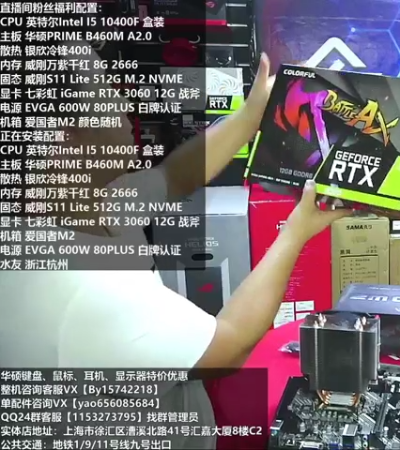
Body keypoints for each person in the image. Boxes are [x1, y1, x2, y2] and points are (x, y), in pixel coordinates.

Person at [0, 46, 349, 447]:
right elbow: (229, 346)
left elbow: (175, 177)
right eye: (108, 94)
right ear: (63, 139)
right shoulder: (78, 287)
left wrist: (252, 115)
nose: (125, 104)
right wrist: (296, 231)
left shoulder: (81, 204)